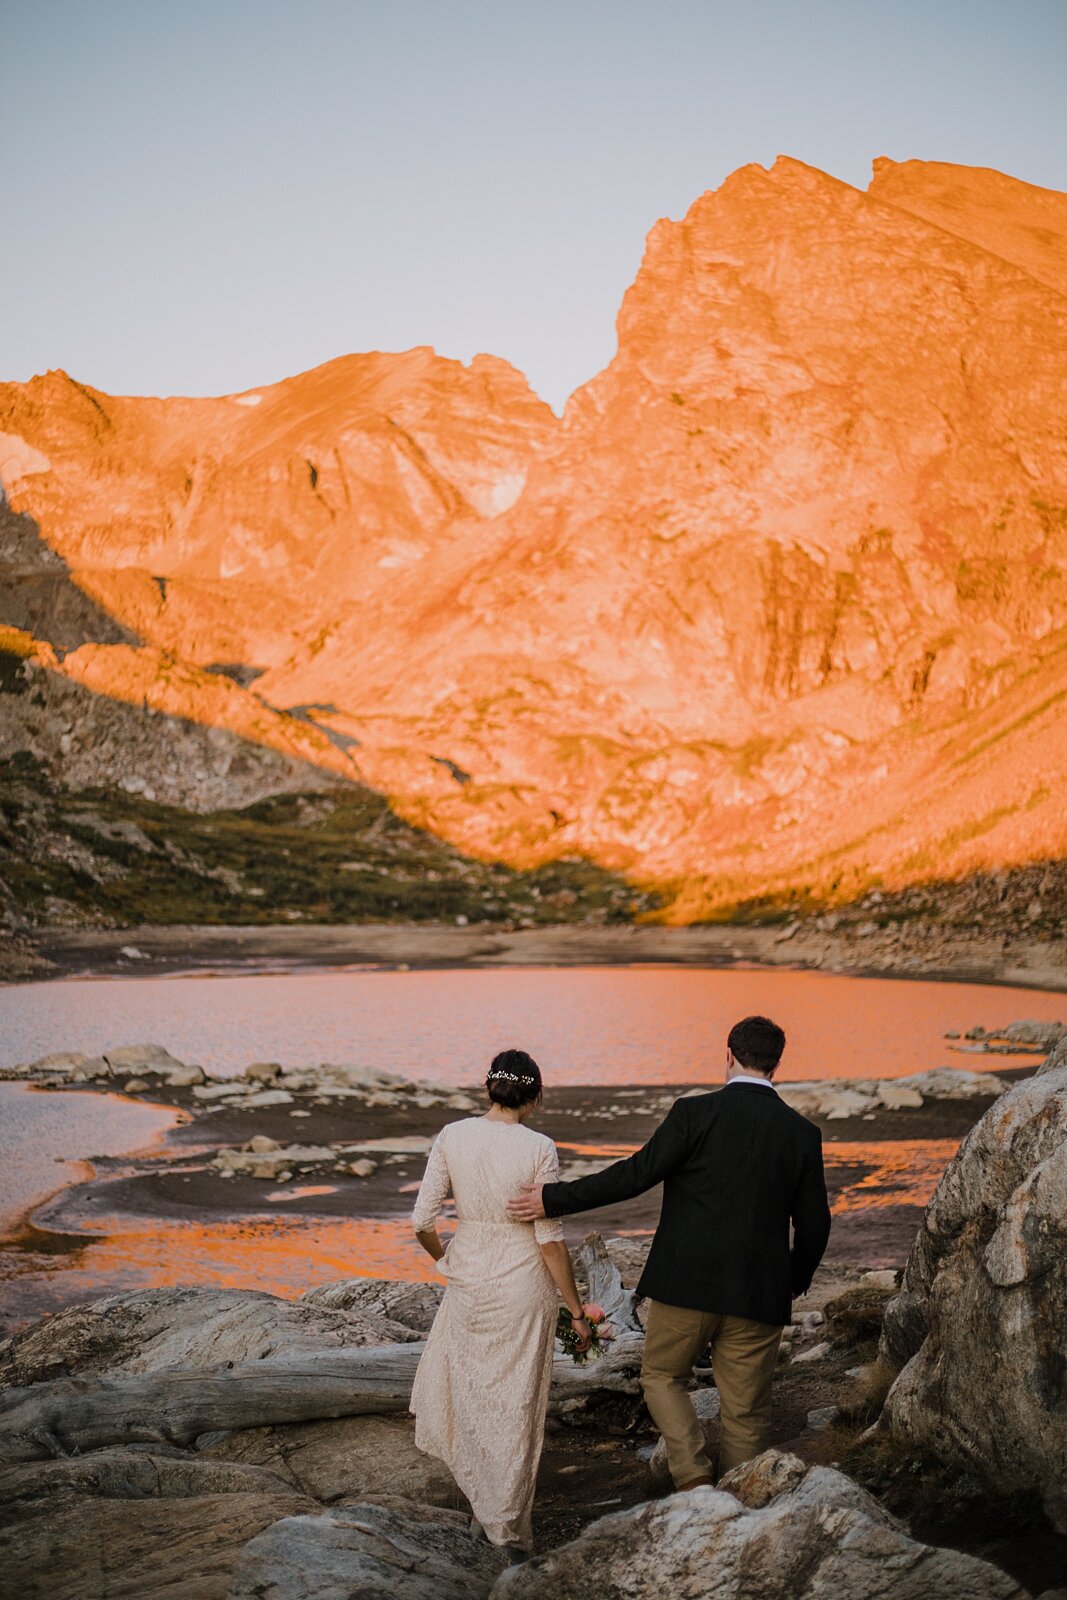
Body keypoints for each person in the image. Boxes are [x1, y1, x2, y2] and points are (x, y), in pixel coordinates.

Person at [507, 1014, 831, 1489]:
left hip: (685, 1285)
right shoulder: (802, 1133)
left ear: (729, 1056)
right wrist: (793, 1278)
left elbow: (634, 1176)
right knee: (746, 1411)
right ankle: (740, 1505)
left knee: (661, 1378)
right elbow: (816, 1222)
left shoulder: (693, 1114)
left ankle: (694, 1481)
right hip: (758, 1293)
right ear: (776, 1064)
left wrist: (552, 1198)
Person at [410, 1048, 593, 1558]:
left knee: (471, 1393)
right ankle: (506, 1528)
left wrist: (445, 1257)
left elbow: (422, 1220)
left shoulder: (453, 1135)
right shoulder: (539, 1146)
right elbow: (549, 1237)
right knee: (515, 1403)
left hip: (469, 1275)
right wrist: (576, 1312)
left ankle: (481, 1509)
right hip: (522, 1282)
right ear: (534, 1097)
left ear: (488, 1089)